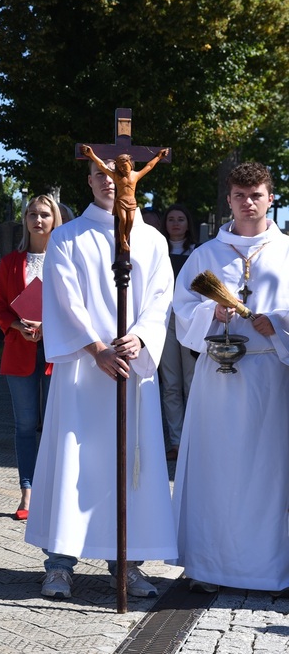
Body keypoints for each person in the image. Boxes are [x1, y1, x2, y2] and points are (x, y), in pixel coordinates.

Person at [24, 155, 177, 600]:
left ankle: (126, 564)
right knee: (72, 462)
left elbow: (160, 297)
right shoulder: (67, 237)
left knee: (131, 466)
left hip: (131, 369)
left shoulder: (150, 239)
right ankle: (60, 564)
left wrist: (143, 338)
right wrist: (96, 349)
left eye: (117, 175)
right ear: (90, 180)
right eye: (101, 175)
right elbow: (63, 299)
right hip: (82, 373)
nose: (111, 183)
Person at [171, 161, 289, 594]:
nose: (248, 202)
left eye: (256, 194)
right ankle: (210, 567)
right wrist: (211, 311)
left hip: (271, 375)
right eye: (240, 195)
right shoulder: (206, 255)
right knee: (216, 470)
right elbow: (182, 311)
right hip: (218, 380)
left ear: (270, 197)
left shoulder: (287, 251)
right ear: (229, 200)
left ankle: (272, 570)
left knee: (270, 473)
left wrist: (277, 322)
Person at [0, 195, 62, 521]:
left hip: (58, 352)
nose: (38, 219)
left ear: (54, 219)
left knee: (55, 425)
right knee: (25, 425)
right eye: (32, 213)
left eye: (45, 214)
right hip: (20, 350)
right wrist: (17, 325)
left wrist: (51, 327)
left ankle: (53, 492)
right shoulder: (10, 262)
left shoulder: (66, 260)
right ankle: (28, 492)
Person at [158, 203, 197, 460]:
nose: (175, 223)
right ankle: (177, 441)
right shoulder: (158, 250)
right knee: (171, 383)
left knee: (192, 381)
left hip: (191, 318)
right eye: (171, 219)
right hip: (164, 318)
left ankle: (195, 439)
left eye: (180, 219)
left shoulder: (198, 252)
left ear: (187, 223)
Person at [79, 145, 169, 252]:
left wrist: (158, 157)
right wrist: (91, 154)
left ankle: (124, 240)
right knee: (124, 219)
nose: (108, 180)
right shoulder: (63, 236)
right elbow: (101, 165)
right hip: (121, 202)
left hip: (131, 202)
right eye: (99, 174)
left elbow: (149, 166)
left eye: (122, 167)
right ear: (90, 181)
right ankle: (123, 240)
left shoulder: (156, 240)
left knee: (130, 220)